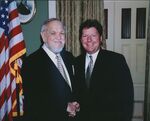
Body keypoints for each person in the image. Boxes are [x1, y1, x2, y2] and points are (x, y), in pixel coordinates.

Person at [74, 19, 134, 121]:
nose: (89, 40)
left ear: (101, 38)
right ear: (80, 39)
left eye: (93, 35)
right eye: (85, 36)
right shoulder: (75, 63)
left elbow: (127, 97)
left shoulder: (116, 60)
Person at [21, 18, 78, 121]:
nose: (59, 37)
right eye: (53, 33)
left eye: (62, 33)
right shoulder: (32, 63)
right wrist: (65, 107)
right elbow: (35, 100)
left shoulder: (69, 57)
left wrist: (76, 104)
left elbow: (71, 89)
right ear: (44, 37)